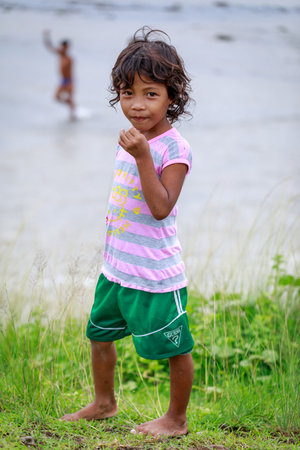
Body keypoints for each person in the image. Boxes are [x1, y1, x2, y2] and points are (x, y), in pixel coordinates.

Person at [61, 26, 194, 437]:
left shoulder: (175, 149)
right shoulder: (131, 139)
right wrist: (136, 150)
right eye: (127, 93)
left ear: (172, 96)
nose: (137, 105)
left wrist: (141, 156)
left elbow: (160, 208)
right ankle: (104, 403)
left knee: (176, 348)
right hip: (117, 269)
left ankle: (176, 419)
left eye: (150, 94)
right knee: (98, 335)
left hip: (155, 275)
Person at [43, 30, 76, 120]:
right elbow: (49, 47)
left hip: (68, 80)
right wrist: (46, 37)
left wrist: (70, 84)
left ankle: (73, 116)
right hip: (63, 80)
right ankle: (70, 105)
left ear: (67, 47)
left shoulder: (69, 59)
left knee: (70, 98)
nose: (64, 48)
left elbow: (71, 73)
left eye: (65, 47)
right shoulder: (60, 55)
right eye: (63, 46)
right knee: (56, 97)